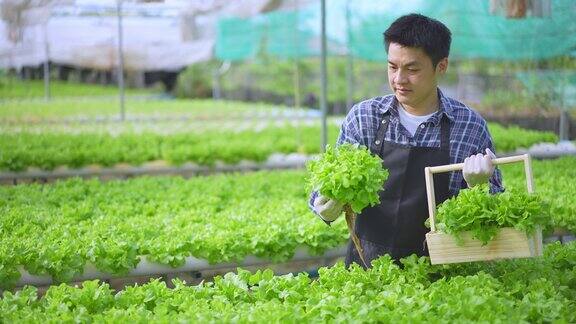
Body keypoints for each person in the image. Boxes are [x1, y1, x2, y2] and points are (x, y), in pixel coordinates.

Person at [309, 13, 504, 268]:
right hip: (366, 268)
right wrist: (324, 205)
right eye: (392, 67)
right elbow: (324, 188)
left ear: (441, 66)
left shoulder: (469, 127)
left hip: (440, 273)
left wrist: (477, 188)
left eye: (412, 69)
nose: (399, 79)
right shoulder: (364, 118)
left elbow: (495, 209)